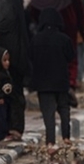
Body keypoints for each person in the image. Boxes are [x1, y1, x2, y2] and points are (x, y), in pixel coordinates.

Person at [29, 0, 84, 96]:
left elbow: (34, 8)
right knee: (70, 56)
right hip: (68, 27)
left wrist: (40, 25)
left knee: (50, 57)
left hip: (47, 29)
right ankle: (70, 84)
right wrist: (81, 29)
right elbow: (79, 8)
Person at [0, 0, 31, 139]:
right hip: (18, 48)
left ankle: (15, 128)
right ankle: (10, 127)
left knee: (13, 89)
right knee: (12, 89)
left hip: (11, 51)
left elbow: (7, 21)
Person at [30, 8, 75, 153]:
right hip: (61, 81)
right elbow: (70, 57)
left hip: (43, 83)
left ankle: (51, 141)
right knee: (64, 108)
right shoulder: (64, 39)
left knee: (48, 112)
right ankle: (66, 137)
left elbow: (31, 58)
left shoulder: (36, 39)